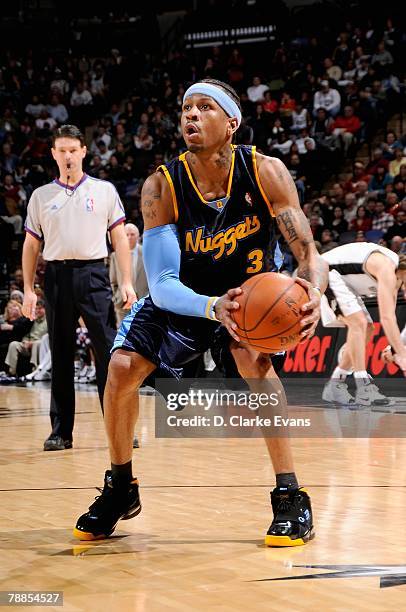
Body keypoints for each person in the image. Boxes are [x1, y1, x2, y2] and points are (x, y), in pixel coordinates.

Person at [73, 79, 328, 546]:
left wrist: (313, 291)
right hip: (191, 300)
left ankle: (291, 495)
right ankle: (120, 486)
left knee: (256, 361)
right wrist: (213, 307)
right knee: (122, 367)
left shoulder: (265, 171)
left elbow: (309, 252)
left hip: (252, 294)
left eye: (204, 107)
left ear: (232, 123)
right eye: (185, 107)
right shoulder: (161, 186)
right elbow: (165, 286)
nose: (190, 115)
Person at [22, 124, 137, 451]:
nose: (68, 156)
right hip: (56, 277)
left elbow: (118, 239)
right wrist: (29, 289)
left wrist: (127, 282)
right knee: (60, 354)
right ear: (54, 154)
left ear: (84, 151)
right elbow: (31, 245)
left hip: (93, 275)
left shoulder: (104, 190)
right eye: (62, 150)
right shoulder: (41, 196)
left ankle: (120, 425)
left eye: (74, 150)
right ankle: (61, 431)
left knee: (109, 353)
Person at [321, 244, 406, 405]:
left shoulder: (395, 279)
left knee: (367, 328)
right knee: (358, 323)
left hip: (343, 279)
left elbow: (391, 318)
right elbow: (386, 318)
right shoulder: (387, 268)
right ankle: (363, 387)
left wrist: (395, 349)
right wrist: (402, 356)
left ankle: (335, 384)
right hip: (324, 270)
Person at [110, 223, 148, 325]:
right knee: (123, 336)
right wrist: (116, 298)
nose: (129, 237)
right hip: (123, 303)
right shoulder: (115, 255)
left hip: (144, 303)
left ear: (138, 236)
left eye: (132, 234)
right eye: (127, 235)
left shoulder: (147, 252)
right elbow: (113, 281)